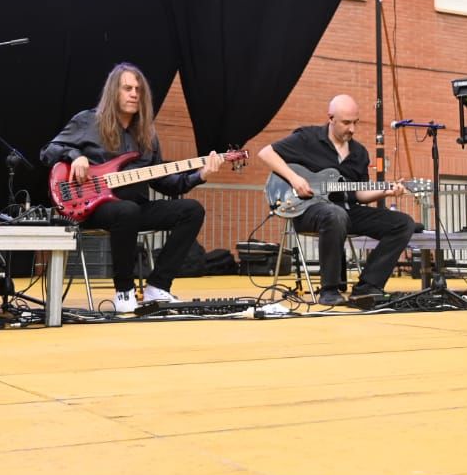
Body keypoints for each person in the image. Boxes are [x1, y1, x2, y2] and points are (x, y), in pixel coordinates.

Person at [40, 62, 224, 313]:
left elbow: (166, 183)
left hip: (136, 208)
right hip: (93, 208)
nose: (134, 94)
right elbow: (48, 151)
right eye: (127, 88)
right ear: (114, 92)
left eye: (138, 89)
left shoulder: (147, 135)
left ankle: (158, 286)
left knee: (191, 210)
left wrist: (201, 174)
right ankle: (124, 291)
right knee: (126, 211)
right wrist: (75, 156)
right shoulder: (88, 121)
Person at [257, 95, 415, 307]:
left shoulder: (359, 153)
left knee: (403, 223)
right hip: (308, 210)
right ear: (331, 118)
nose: (352, 129)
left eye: (355, 122)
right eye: (346, 123)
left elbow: (359, 194)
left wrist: (385, 192)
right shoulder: (307, 138)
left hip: (347, 211)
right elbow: (266, 153)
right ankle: (329, 290)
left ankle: (367, 287)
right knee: (334, 214)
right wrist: (295, 179)